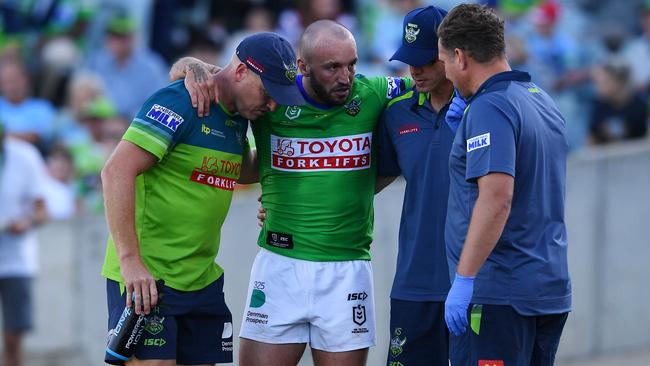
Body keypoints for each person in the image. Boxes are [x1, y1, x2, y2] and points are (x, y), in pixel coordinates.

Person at [172, 20, 410, 366]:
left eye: (352, 64)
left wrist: (352, 193)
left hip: (346, 269)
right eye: (332, 67)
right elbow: (209, 74)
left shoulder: (372, 92)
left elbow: (432, 83)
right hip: (279, 266)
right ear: (302, 66)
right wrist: (188, 67)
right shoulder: (269, 96)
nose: (346, 77)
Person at [101, 32, 304, 366]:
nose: (272, 105)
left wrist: (287, 182)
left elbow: (237, 169)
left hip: (202, 280)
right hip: (150, 279)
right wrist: (130, 262)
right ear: (240, 73)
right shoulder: (184, 101)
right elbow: (115, 172)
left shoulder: (240, 115)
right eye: (268, 93)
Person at [437, 4, 571, 366]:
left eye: (445, 62)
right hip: (548, 288)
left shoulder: (490, 107)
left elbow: (497, 199)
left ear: (460, 57)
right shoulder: (541, 100)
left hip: (499, 293)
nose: (446, 73)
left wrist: (464, 280)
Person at [374, 6, 465, 366]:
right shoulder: (396, 111)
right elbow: (368, 183)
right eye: (409, 59)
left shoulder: (485, 108)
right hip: (414, 283)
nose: (415, 70)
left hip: (474, 284)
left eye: (426, 60)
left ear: (451, 55)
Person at [0, 119, 49, 366]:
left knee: (12, 338)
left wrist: (25, 222)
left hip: (16, 260)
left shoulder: (25, 156)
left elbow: (42, 210)